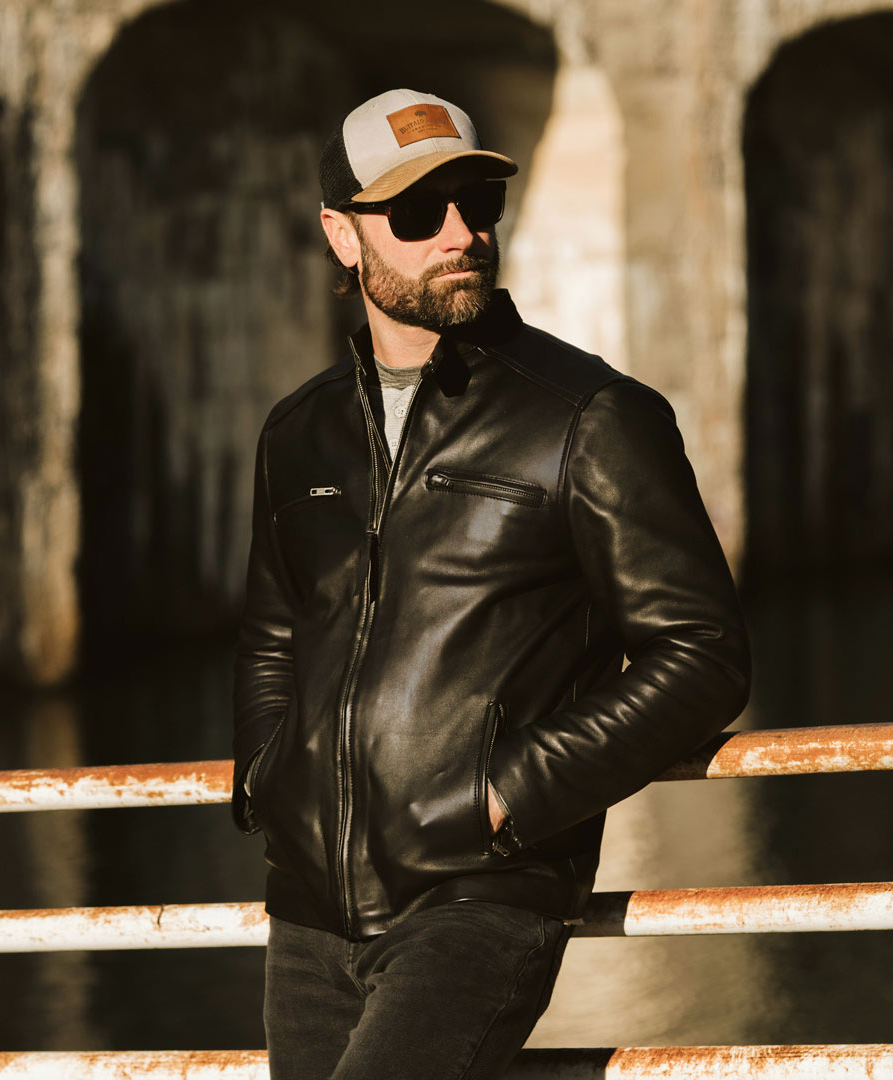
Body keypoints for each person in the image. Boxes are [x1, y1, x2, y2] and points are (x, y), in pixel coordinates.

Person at [231, 88, 751, 1080]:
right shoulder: (297, 432)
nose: (460, 233)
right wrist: (268, 778)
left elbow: (702, 653)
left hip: (478, 898)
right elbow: (273, 632)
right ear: (342, 236)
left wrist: (507, 795)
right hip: (308, 911)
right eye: (416, 212)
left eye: (477, 202)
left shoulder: (589, 417)